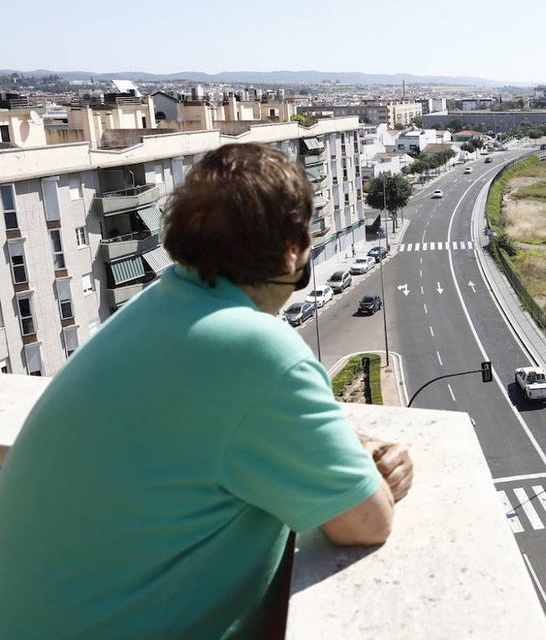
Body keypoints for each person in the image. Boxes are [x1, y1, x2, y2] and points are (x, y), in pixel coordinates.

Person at [0, 143, 413, 639]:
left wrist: (340, 446)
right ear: (292, 251)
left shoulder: (159, 302)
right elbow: (367, 522)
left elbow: (217, 425)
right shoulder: (258, 350)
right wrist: (366, 471)